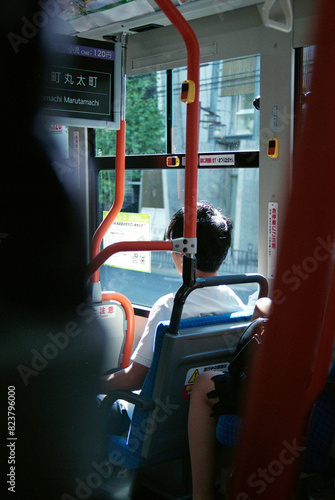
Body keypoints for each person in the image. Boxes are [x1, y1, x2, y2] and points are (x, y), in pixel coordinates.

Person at [100, 201, 246, 400]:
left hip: (152, 418)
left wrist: (90, 385)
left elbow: (134, 379)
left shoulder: (171, 307)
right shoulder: (237, 305)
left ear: (181, 250)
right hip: (197, 413)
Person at [188, 297, 273, 500]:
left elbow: (264, 307)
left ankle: (201, 495)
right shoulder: (232, 299)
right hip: (314, 390)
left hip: (280, 394)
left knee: (203, 384)